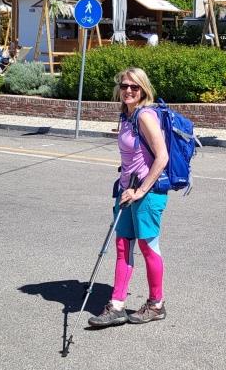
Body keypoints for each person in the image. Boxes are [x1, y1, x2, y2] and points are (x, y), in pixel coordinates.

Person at [88, 67, 170, 328]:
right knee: (123, 246)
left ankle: (156, 304)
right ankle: (117, 306)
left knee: (148, 247)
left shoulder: (145, 115)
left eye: (135, 87)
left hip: (147, 193)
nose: (129, 90)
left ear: (143, 90)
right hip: (126, 191)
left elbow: (162, 157)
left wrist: (141, 190)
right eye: (124, 86)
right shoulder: (126, 115)